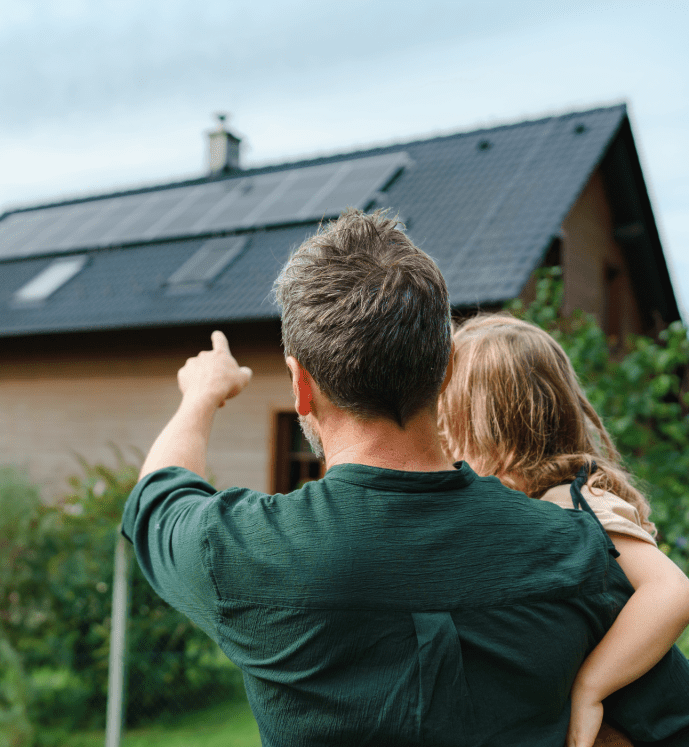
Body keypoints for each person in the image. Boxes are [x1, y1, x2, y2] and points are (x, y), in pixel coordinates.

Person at [122, 209, 689, 746]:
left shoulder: (241, 551)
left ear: (301, 386)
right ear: (444, 373)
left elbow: (159, 493)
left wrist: (202, 395)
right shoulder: (575, 549)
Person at [439, 313, 689, 746]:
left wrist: (591, 688)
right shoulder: (528, 507)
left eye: (447, 419)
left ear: (489, 426)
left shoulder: (576, 502)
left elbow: (672, 591)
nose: (440, 433)